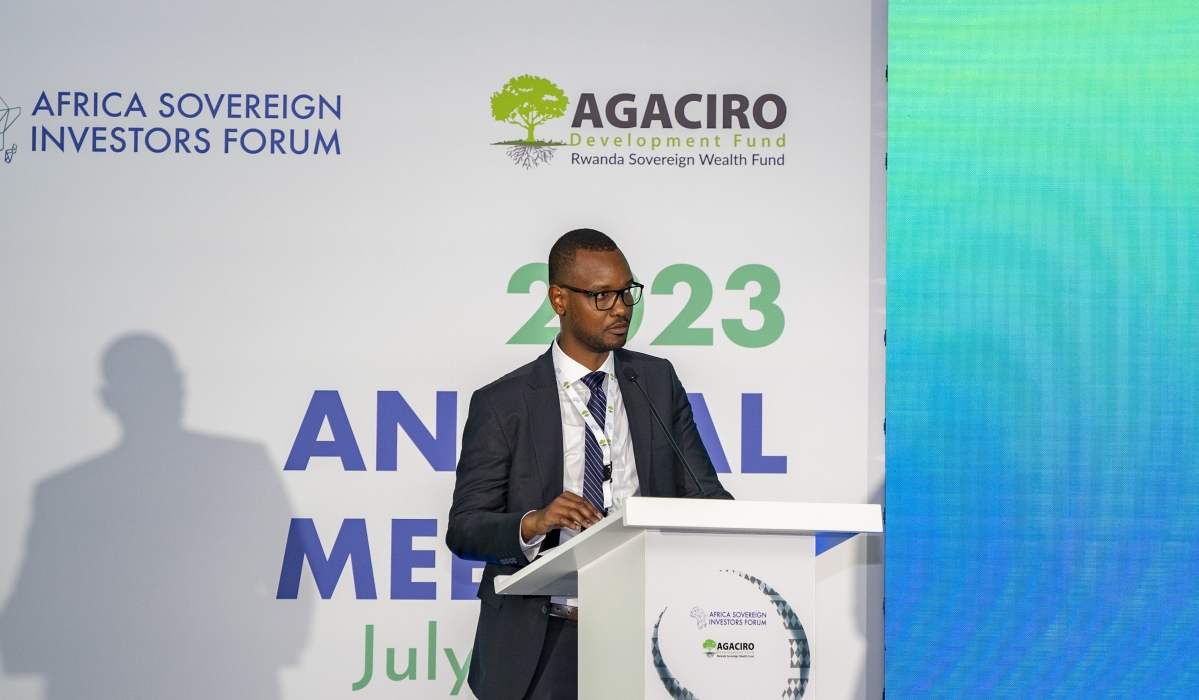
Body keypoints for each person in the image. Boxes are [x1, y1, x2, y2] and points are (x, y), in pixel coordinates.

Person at [446, 229, 733, 700]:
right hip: (542, 640)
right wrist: (535, 522)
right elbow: (465, 528)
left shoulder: (655, 381)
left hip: (646, 631)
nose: (621, 308)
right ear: (559, 299)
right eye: (602, 296)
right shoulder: (503, 403)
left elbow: (705, 494)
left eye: (627, 292)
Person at [0, 334, 310, 700]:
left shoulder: (69, 493)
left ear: (107, 399)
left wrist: (276, 639)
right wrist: (272, 642)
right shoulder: (239, 466)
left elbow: (289, 564)